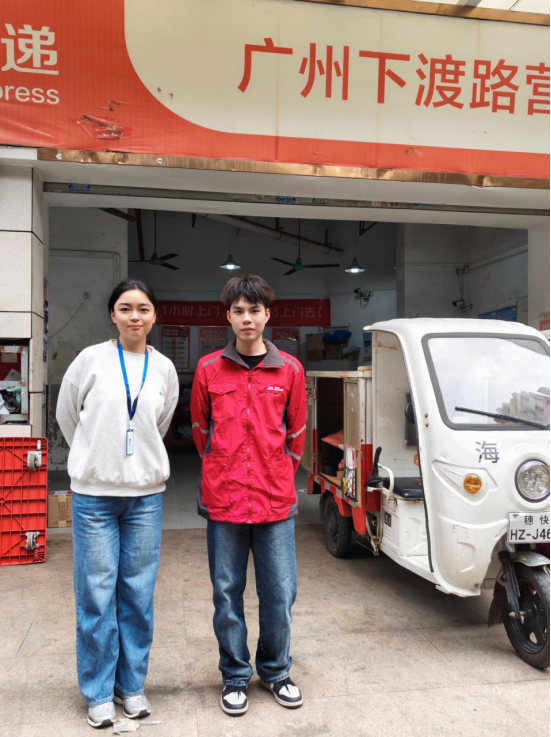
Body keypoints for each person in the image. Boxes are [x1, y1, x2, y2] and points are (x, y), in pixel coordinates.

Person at [56, 278, 179, 729]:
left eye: (143, 308)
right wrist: (95, 458)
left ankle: (131, 687)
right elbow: (67, 416)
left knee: (137, 597)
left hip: (145, 497)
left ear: (154, 316)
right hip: (94, 498)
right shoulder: (89, 360)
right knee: (96, 596)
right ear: (112, 315)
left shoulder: (163, 367)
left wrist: (133, 460)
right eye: (125, 308)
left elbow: (159, 424)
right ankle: (97, 692)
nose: (134, 316)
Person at [191, 274, 307, 716]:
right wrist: (221, 467)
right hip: (224, 500)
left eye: (254, 310)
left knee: (280, 593)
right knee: (227, 592)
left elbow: (296, 433)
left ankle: (276, 670)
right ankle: (235, 674)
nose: (246, 319)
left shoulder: (289, 369)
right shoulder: (208, 369)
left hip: (275, 501)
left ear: (267, 315)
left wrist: (276, 471)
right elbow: (200, 429)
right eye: (238, 311)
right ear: (228, 317)